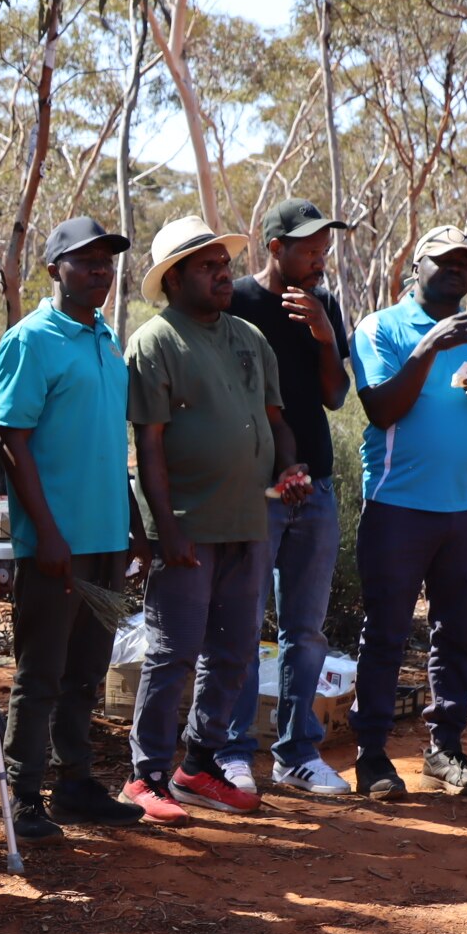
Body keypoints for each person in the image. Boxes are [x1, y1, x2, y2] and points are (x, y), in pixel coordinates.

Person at [123, 215, 305, 822]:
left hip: (249, 522)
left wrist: (288, 471)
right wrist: (163, 527)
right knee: (173, 653)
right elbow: (149, 444)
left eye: (223, 263)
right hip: (188, 526)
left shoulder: (250, 337)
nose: (222, 273)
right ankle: (144, 776)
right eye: (206, 266)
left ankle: (197, 767)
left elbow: (277, 423)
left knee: (234, 654)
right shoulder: (154, 342)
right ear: (174, 280)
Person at [348, 225, 467, 798]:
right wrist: (429, 348)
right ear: (415, 267)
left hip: (465, 511)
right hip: (397, 506)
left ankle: (444, 749)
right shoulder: (381, 327)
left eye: (466, 263)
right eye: (444, 261)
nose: (456, 271)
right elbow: (380, 409)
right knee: (387, 634)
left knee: (457, 635)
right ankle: (372, 756)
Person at [0, 216, 147, 840]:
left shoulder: (106, 338)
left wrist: (133, 523)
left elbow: (110, 445)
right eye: (85, 261)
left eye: (107, 261)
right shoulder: (31, 340)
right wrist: (46, 532)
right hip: (54, 545)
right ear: (54, 268)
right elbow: (11, 439)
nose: (99, 272)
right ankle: (23, 796)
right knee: (41, 672)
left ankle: (75, 784)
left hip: (107, 538)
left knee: (89, 667)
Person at [227, 200, 354, 797]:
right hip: (255, 488)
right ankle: (230, 751)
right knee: (244, 624)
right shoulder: (236, 302)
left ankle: (296, 753)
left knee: (307, 631)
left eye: (324, 250)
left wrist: (325, 335)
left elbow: (334, 397)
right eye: (308, 250)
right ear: (274, 248)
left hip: (318, 487)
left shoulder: (324, 306)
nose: (319, 260)